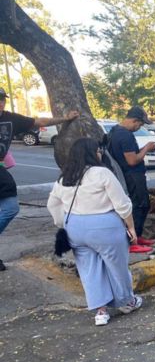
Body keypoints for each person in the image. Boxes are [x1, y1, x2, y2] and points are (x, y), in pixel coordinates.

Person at [47, 138, 143, 326]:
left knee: (88, 269)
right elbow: (122, 205)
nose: (100, 153)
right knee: (117, 267)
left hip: (75, 228)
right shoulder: (102, 173)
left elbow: (52, 204)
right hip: (105, 226)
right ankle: (126, 301)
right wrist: (130, 227)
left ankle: (100, 311)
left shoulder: (64, 177)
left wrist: (62, 223)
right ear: (92, 153)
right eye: (98, 150)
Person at [0, 88, 79, 271]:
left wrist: (65, 119)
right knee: (11, 205)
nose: (1, 103)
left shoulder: (11, 118)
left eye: (2, 99)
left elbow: (40, 121)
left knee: (9, 207)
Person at [107, 106, 155, 252]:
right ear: (135, 120)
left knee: (140, 205)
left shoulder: (115, 131)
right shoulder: (125, 135)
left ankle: (138, 236)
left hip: (125, 175)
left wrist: (141, 149)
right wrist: (146, 149)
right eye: (140, 124)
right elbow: (132, 160)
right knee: (139, 206)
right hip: (132, 175)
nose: (139, 127)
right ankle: (132, 241)